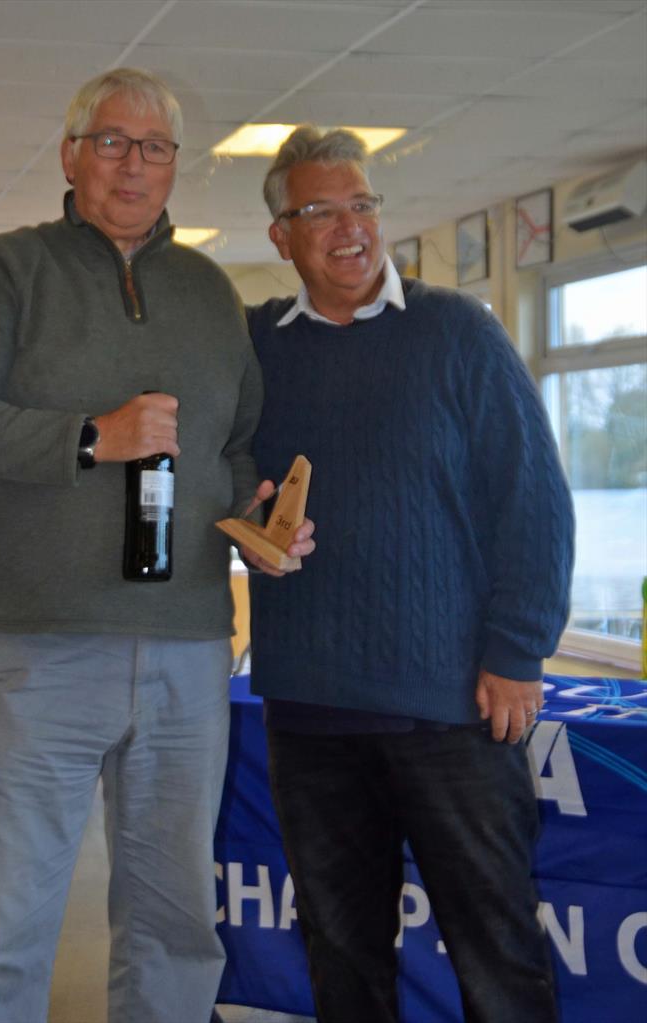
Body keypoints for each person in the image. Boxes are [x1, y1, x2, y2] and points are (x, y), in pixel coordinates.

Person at [0, 69, 313, 1023]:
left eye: (155, 147)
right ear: (71, 154)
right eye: (112, 142)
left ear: (177, 165)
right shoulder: (6, 270)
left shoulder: (212, 292)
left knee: (176, 928)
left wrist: (262, 513)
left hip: (185, 646)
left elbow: (236, 444)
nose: (134, 165)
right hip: (38, 644)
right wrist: (91, 436)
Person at [246, 125, 574, 1023]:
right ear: (282, 235)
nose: (349, 227)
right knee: (343, 958)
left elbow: (535, 500)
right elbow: (221, 479)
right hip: (309, 713)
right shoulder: (257, 348)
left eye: (363, 204)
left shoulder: (456, 331)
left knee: (497, 953)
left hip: (453, 710)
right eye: (320, 210)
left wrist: (518, 650)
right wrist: (241, 522)